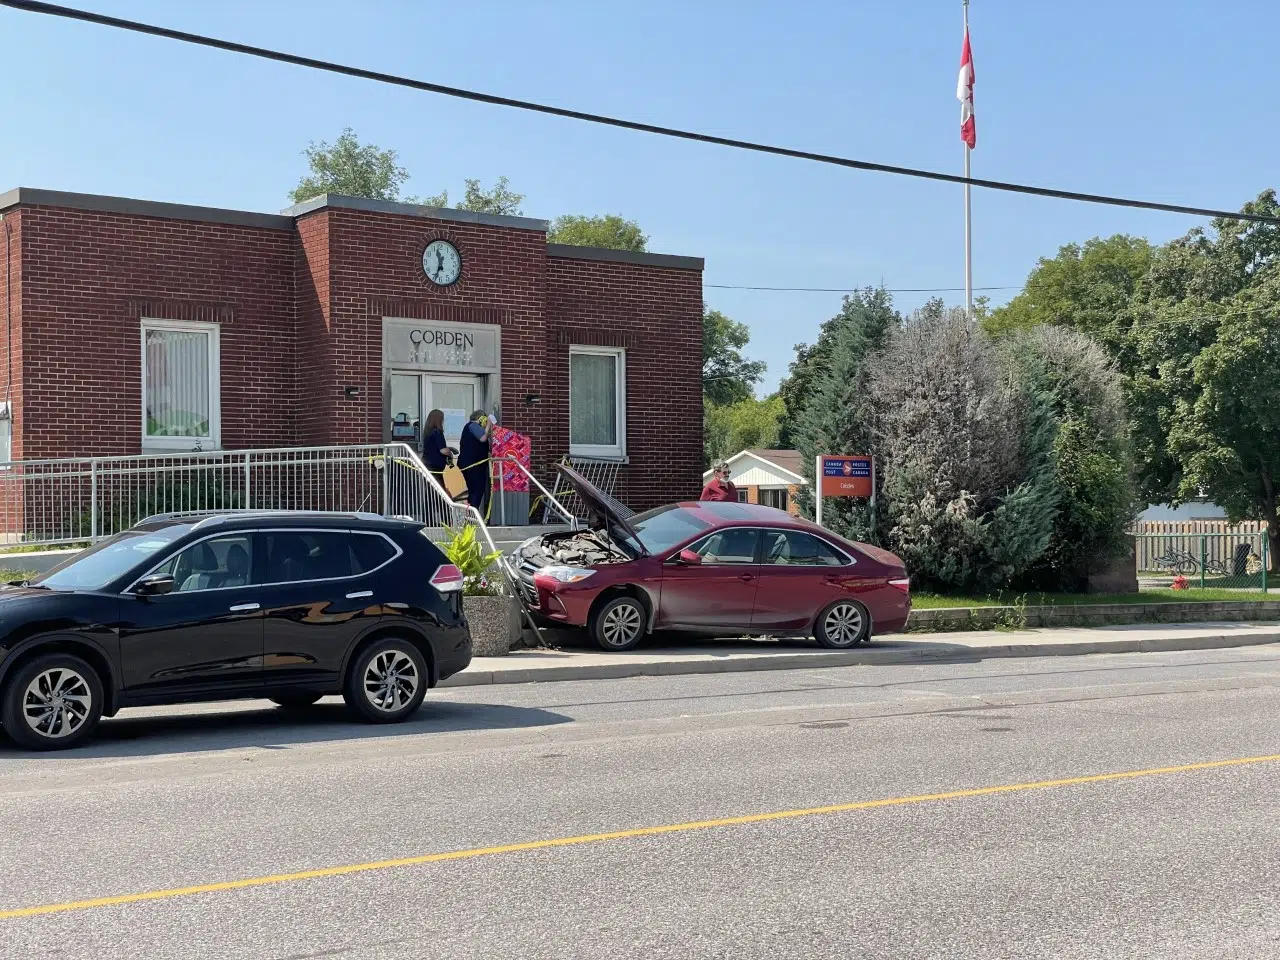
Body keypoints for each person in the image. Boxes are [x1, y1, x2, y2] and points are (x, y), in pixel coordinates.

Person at [420, 409, 455, 523]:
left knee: (430, 495)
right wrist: (450, 452)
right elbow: (442, 450)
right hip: (435, 469)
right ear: (439, 420)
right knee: (441, 494)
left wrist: (448, 449)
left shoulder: (428, 433)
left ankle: (428, 520)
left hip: (428, 467)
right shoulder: (437, 432)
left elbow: (434, 448)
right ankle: (447, 521)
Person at [457, 409, 495, 514]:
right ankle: (473, 515)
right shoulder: (473, 426)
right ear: (481, 419)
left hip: (473, 464)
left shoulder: (471, 428)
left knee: (475, 490)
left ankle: (471, 514)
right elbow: (483, 438)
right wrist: (488, 424)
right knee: (477, 490)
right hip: (472, 465)